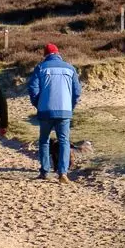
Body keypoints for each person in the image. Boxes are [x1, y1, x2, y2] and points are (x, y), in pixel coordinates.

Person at [27, 42, 83, 182]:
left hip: (45, 110)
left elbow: (33, 89)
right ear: (58, 54)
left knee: (44, 141)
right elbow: (77, 92)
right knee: (64, 141)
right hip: (64, 111)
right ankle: (63, 172)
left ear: (45, 55)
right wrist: (71, 106)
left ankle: (44, 171)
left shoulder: (40, 68)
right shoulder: (70, 68)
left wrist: (38, 104)